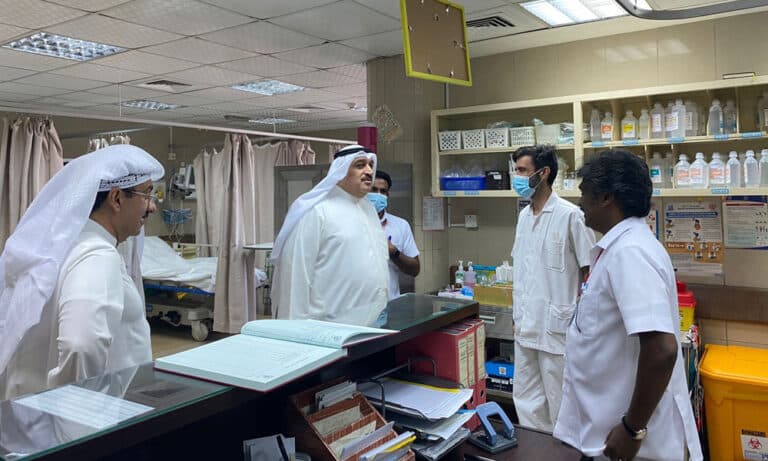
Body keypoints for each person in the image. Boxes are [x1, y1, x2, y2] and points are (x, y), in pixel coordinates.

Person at [554, 149, 702, 461]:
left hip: (634, 446)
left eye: (584, 193)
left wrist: (632, 429)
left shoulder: (629, 252)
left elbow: (661, 349)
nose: (579, 202)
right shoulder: (621, 246)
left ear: (606, 197)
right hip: (609, 435)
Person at [0, 145, 164, 401]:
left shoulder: (60, 247)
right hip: (82, 418)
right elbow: (81, 346)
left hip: (32, 411)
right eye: (147, 194)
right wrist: (77, 412)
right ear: (117, 198)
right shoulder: (96, 255)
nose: (152, 207)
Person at [510, 144, 595, 432]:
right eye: (516, 170)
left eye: (522, 170)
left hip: (557, 330)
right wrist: (517, 315)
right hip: (525, 327)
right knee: (526, 404)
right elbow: (524, 270)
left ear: (543, 173)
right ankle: (535, 451)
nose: (516, 177)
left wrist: (584, 323)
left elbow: (591, 273)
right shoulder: (523, 217)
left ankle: (564, 451)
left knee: (562, 406)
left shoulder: (571, 215)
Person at [271, 144, 388, 326]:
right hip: (327, 328)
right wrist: (295, 329)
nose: (369, 171)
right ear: (340, 171)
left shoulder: (369, 211)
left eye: (371, 165)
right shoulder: (317, 211)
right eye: (360, 165)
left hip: (370, 324)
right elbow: (296, 276)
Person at [368, 170, 420, 300]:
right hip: (357, 306)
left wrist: (393, 252)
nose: (378, 195)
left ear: (387, 195)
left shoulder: (400, 225)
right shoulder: (350, 222)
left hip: (390, 304)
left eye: (382, 191)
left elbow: (415, 269)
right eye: (373, 190)